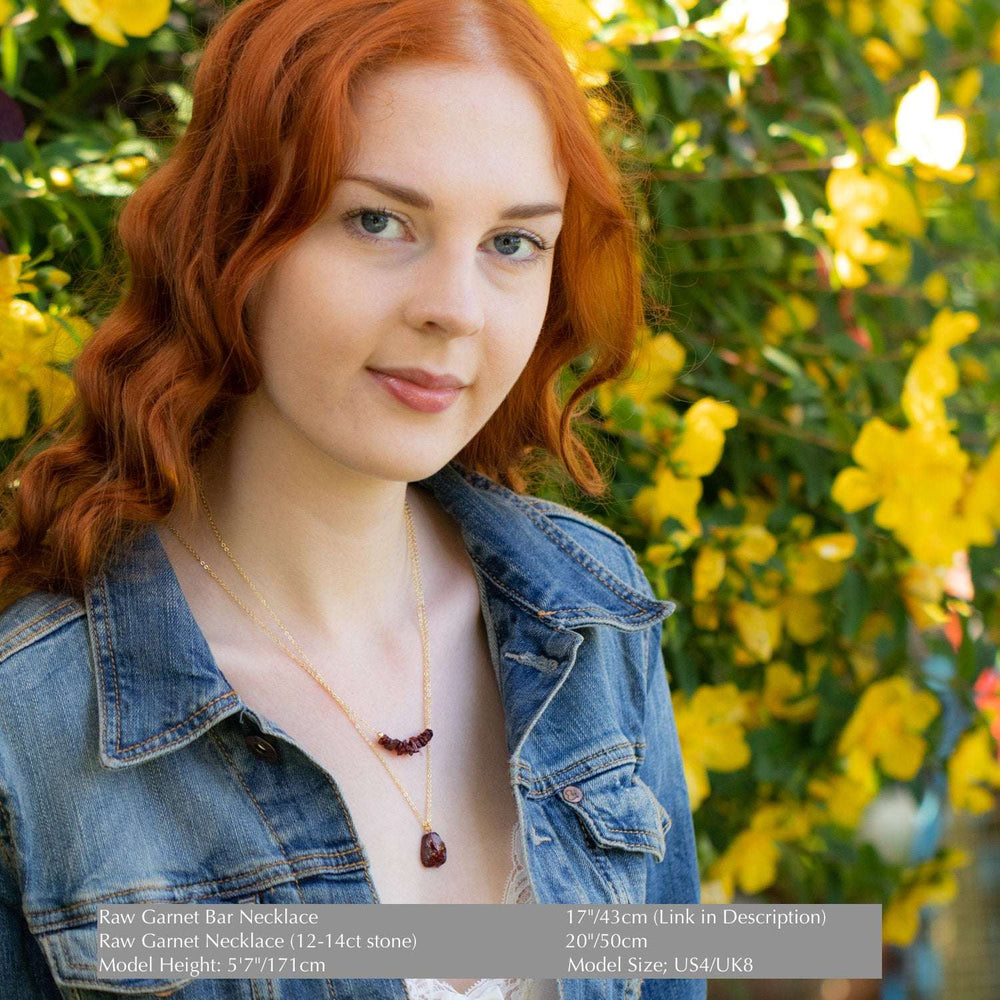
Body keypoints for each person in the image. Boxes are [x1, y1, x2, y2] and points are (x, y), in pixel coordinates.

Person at [0, 1, 704, 998]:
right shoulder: (29, 720)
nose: (453, 308)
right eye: (379, 220)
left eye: (513, 243)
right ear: (233, 234)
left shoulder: (592, 613)